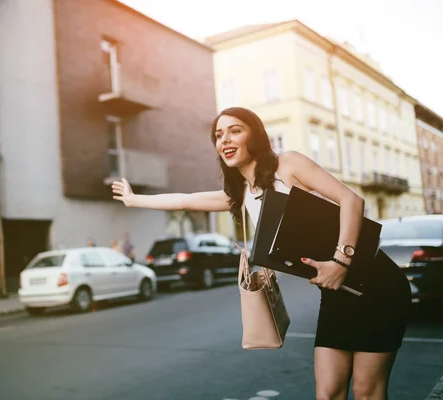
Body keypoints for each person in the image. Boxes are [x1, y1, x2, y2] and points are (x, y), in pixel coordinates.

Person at [112, 107, 411, 400]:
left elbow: (352, 200)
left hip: (375, 283)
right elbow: (184, 200)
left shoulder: (288, 164)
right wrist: (134, 199)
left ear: (254, 135)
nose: (225, 140)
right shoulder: (242, 194)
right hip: (334, 291)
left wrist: (340, 262)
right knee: (328, 392)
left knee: (366, 391)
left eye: (234, 131)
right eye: (218, 135)